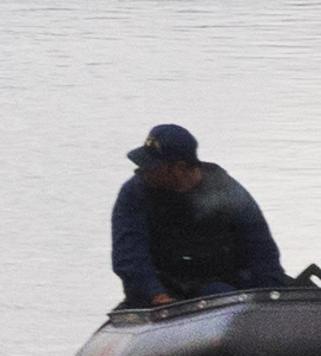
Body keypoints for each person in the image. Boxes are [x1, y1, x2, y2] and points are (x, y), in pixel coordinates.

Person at [108, 123, 285, 307]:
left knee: (220, 292)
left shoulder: (226, 189)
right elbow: (129, 257)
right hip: (163, 290)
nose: (142, 171)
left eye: (152, 166)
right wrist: (157, 296)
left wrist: (272, 295)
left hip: (221, 287)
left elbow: (261, 247)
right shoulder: (134, 193)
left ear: (178, 168)